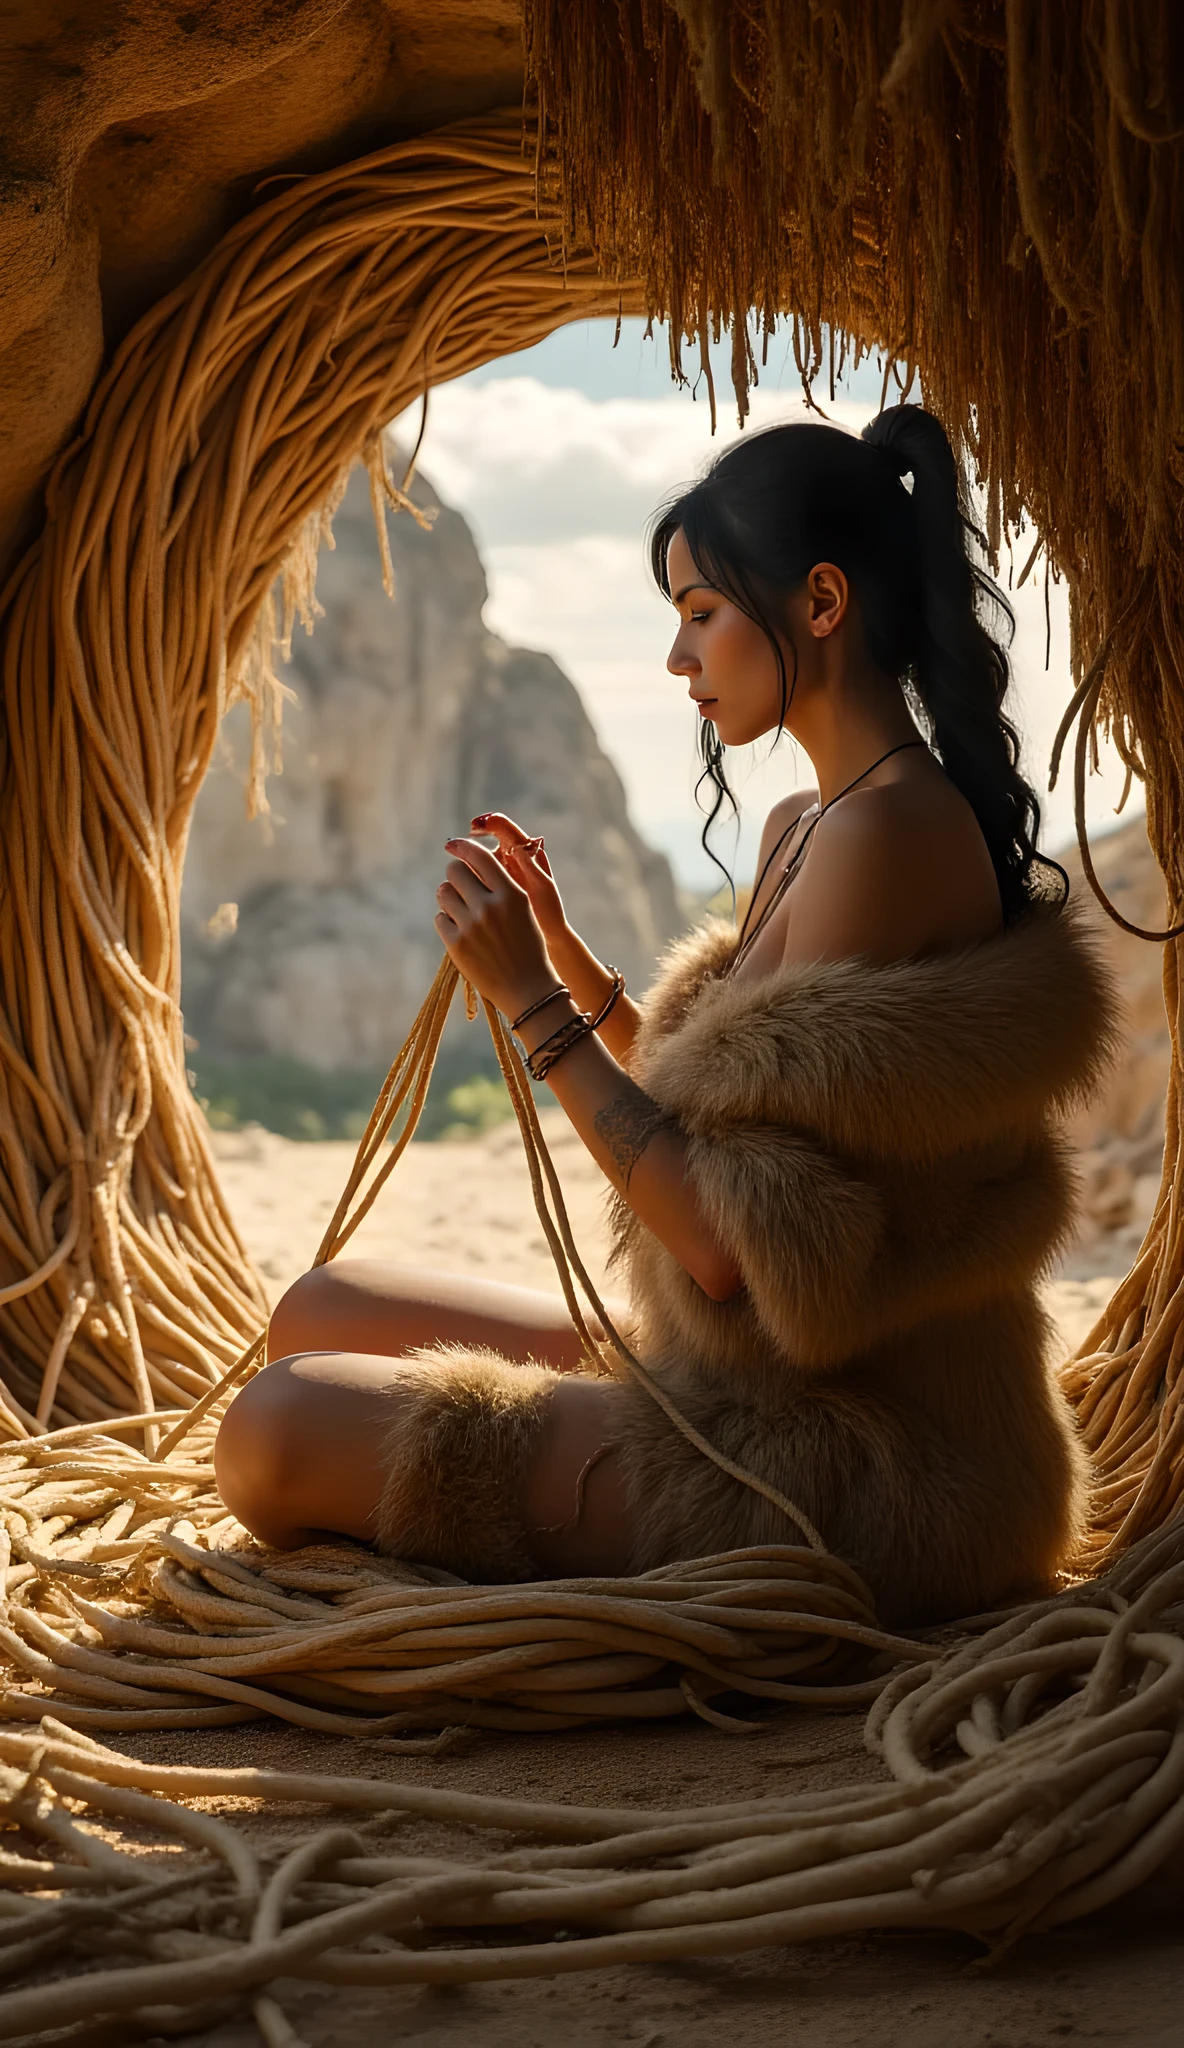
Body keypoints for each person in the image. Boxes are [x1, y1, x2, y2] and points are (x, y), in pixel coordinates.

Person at [214, 405, 1116, 1625]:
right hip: (752, 1379)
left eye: (699, 614)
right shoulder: (808, 820)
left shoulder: (886, 834)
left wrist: (529, 1005)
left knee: (270, 1432)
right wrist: (572, 960)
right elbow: (733, 1105)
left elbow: (728, 1253)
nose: (677, 660)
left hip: (868, 1460)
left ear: (821, 603)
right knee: (318, 1306)